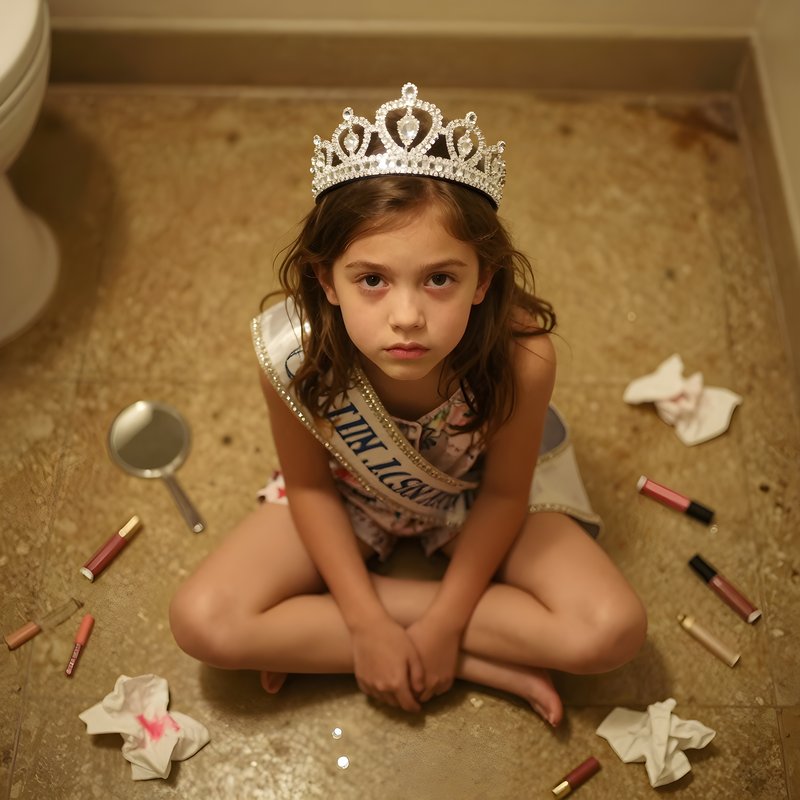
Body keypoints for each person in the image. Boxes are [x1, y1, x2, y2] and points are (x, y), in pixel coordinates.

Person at [169, 83, 647, 726]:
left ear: (483, 281)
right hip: (348, 493)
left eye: (440, 278)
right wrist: (367, 624)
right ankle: (473, 657)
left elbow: (505, 495)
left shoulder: (523, 358)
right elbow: (309, 489)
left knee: (610, 630)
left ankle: (333, 634)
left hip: (473, 498)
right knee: (202, 622)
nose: (407, 317)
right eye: (372, 279)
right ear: (325, 280)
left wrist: (444, 621)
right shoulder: (296, 354)